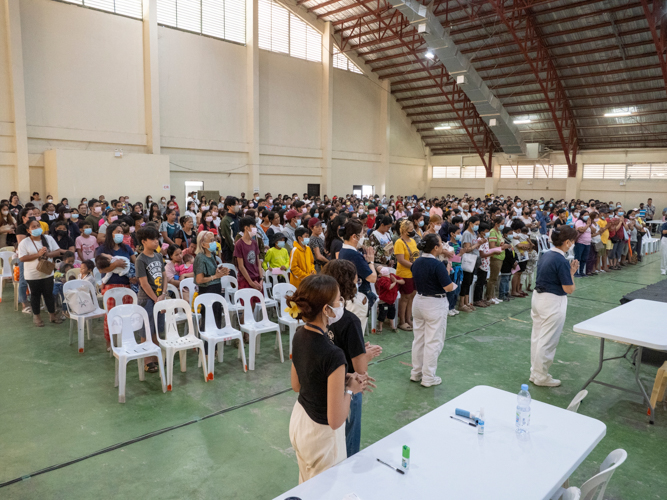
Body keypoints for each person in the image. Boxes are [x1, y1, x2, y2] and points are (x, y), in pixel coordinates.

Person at [287, 274, 366, 483]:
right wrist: (350, 389)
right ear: (326, 309)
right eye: (339, 300)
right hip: (321, 438)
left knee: (306, 484)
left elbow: (297, 385)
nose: (342, 304)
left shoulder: (298, 334)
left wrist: (340, 378)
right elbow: (335, 420)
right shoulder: (334, 355)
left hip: (300, 423)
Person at [321, 260, 381, 457]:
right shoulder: (350, 321)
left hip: (324, 381)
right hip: (347, 384)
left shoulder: (321, 316)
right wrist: (366, 355)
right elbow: (360, 369)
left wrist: (359, 350)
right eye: (356, 280)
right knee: (349, 434)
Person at [530, 225, 579, 387]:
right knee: (547, 341)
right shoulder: (561, 260)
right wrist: (571, 276)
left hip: (538, 298)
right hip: (552, 302)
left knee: (537, 338)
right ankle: (541, 376)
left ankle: (535, 372)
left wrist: (569, 273)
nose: (573, 244)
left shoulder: (547, 255)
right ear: (566, 242)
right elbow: (569, 288)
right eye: (572, 241)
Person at [410, 234, 456, 387]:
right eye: (441, 243)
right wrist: (448, 272)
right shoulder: (437, 265)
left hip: (419, 300)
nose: (443, 245)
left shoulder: (417, 262)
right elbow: (448, 287)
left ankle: (416, 372)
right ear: (436, 247)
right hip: (434, 303)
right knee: (433, 341)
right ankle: (428, 377)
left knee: (419, 339)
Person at [96, 222, 136, 351]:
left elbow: (136, 263)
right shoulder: (102, 249)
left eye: (121, 232)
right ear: (110, 233)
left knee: (126, 314)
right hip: (110, 286)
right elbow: (101, 270)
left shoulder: (126, 248)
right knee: (111, 315)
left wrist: (135, 277)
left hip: (126, 285)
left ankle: (126, 339)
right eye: (117, 232)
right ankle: (110, 342)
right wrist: (116, 264)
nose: (120, 234)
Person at [17, 219, 64, 327]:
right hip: (32, 274)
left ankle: (52, 315)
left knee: (49, 294)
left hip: (47, 272)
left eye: (38, 226)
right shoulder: (25, 242)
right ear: (28, 230)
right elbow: (22, 258)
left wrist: (48, 254)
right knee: (35, 295)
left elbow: (57, 251)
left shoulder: (48, 238)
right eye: (33, 227)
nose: (37, 228)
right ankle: (37, 316)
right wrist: (37, 255)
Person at [135, 225, 168, 373]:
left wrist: (163, 295)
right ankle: (147, 361)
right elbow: (143, 282)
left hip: (159, 298)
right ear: (144, 241)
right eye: (152, 239)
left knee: (157, 329)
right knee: (146, 330)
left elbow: (164, 276)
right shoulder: (140, 260)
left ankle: (156, 355)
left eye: (157, 239)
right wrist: (155, 299)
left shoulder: (159, 256)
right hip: (147, 299)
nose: (156, 242)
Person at [339, 219, 377, 311]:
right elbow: (372, 278)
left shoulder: (343, 250)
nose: (363, 237)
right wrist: (370, 261)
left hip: (350, 295)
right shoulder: (353, 255)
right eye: (362, 234)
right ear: (354, 236)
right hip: (359, 297)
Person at [194, 231, 229, 329]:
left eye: (214, 240)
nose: (214, 242)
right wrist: (215, 277)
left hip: (216, 288)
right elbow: (199, 279)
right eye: (211, 240)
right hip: (207, 290)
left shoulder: (212, 254)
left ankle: (215, 343)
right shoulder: (200, 258)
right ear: (203, 244)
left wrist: (220, 271)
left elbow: (212, 272)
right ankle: (205, 343)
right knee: (208, 320)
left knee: (216, 317)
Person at [393, 220, 418, 329]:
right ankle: (402, 320)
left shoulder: (412, 241)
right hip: (405, 273)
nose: (412, 232)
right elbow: (401, 260)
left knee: (412, 296)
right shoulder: (399, 242)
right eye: (410, 230)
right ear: (403, 230)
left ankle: (408, 318)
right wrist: (414, 266)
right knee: (405, 297)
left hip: (414, 273)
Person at [219, 196, 240, 263]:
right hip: (230, 252)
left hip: (239, 249)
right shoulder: (226, 220)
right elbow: (229, 239)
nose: (237, 206)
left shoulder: (238, 218)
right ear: (228, 207)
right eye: (235, 204)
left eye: (237, 204)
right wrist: (237, 250)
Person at [573, 210, 592, 277]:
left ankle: (581, 272)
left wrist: (589, 224)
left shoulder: (588, 223)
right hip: (580, 243)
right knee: (578, 258)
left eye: (588, 214)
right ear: (581, 216)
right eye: (585, 215)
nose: (587, 216)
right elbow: (581, 230)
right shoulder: (579, 222)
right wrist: (587, 224)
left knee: (584, 258)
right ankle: (575, 272)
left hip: (587, 243)